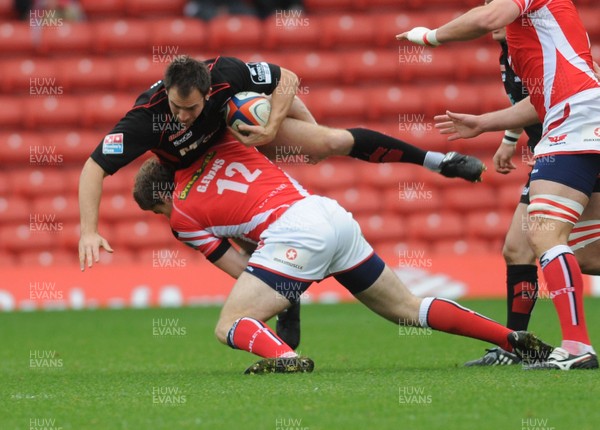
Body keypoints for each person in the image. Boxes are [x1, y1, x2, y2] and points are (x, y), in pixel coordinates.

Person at [132, 131, 553, 374]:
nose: (163, 216)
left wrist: (287, 293)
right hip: (327, 213)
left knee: (228, 324)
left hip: (292, 236)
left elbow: (240, 268)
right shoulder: (227, 145)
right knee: (407, 307)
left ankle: (285, 357)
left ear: (161, 196)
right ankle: (510, 339)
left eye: (157, 210)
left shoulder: (181, 217)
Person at [78, 55, 485, 272]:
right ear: (165, 91)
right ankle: (282, 301)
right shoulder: (145, 120)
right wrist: (89, 232)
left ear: (207, 91)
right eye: (176, 106)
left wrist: (274, 125)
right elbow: (94, 167)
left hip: (235, 132)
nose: (182, 115)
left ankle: (438, 160)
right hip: (189, 168)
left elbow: (286, 77)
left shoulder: (226, 72)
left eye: (191, 107)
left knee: (328, 141)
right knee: (227, 230)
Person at [398, 0, 600, 369]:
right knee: (586, 254)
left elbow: (489, 17)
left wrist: (429, 36)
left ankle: (576, 347)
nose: (491, 6)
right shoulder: (526, 43)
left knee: (543, 235)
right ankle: (540, 345)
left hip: (575, 124)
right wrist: (485, 126)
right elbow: (542, 100)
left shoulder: (528, 13)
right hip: (576, 122)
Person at [463, 11, 600, 366]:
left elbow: (555, 94)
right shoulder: (513, 52)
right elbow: (537, 102)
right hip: (556, 151)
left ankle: (555, 346)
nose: (495, 13)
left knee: (540, 241)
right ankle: (516, 345)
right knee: (531, 249)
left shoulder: (538, 44)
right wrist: (509, 139)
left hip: (571, 148)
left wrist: (485, 125)